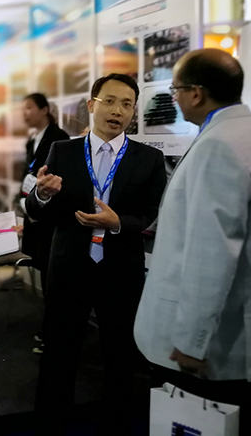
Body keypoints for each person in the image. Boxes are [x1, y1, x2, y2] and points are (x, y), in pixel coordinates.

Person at [25, 73, 167, 435]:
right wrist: (42, 194)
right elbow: (37, 210)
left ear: (133, 112)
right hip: (69, 265)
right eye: (110, 101)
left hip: (121, 269)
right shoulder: (63, 152)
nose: (117, 111)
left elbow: (150, 213)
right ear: (92, 105)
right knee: (59, 353)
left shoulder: (149, 159)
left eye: (126, 104)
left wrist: (118, 222)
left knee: (120, 355)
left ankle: (116, 424)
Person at [134, 49, 251, 435]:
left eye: (176, 90)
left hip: (207, 347)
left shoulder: (220, 145)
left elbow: (211, 252)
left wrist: (191, 342)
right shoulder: (240, 133)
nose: (176, 98)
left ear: (196, 93)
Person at [20, 92, 69, 354]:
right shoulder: (33, 140)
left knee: (53, 280)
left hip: (50, 221)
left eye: (29, 107)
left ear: (44, 110)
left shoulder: (58, 139)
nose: (24, 113)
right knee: (44, 271)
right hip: (35, 215)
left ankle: (55, 334)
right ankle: (51, 329)